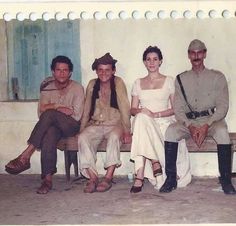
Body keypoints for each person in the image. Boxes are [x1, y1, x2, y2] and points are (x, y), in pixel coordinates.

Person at [160, 39, 236, 195]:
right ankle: (171, 179)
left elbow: (223, 106)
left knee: (222, 133)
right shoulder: (181, 78)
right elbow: (178, 109)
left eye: (199, 52)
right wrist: (190, 126)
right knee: (171, 131)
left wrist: (206, 124)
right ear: (188, 55)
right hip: (189, 123)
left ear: (205, 53)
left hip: (212, 121)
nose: (196, 56)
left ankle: (226, 180)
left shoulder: (217, 77)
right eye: (193, 53)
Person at [5, 55, 85, 194]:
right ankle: (47, 180)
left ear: (70, 72)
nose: (62, 73)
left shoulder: (77, 87)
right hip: (54, 126)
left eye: (65, 70)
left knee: (50, 114)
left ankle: (27, 154)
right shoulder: (47, 87)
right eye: (58, 70)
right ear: (53, 72)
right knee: (49, 133)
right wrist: (59, 107)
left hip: (71, 126)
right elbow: (41, 112)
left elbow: (77, 115)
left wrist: (52, 108)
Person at [130, 46, 191, 193]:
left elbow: (176, 109)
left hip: (163, 122)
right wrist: (142, 111)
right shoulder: (138, 83)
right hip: (144, 121)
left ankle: (142, 173)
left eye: (155, 59)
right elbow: (132, 110)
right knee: (140, 119)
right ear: (144, 62)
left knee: (141, 123)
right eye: (148, 59)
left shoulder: (169, 81)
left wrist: (156, 115)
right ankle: (154, 162)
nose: (151, 62)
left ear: (160, 61)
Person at [78, 53, 132, 193]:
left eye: (107, 70)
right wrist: (82, 128)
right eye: (100, 70)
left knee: (114, 137)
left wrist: (127, 130)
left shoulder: (118, 83)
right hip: (96, 124)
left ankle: (108, 177)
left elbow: (125, 107)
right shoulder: (92, 84)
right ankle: (93, 177)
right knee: (83, 138)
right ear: (96, 71)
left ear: (113, 71)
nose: (104, 73)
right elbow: (87, 108)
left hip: (115, 123)